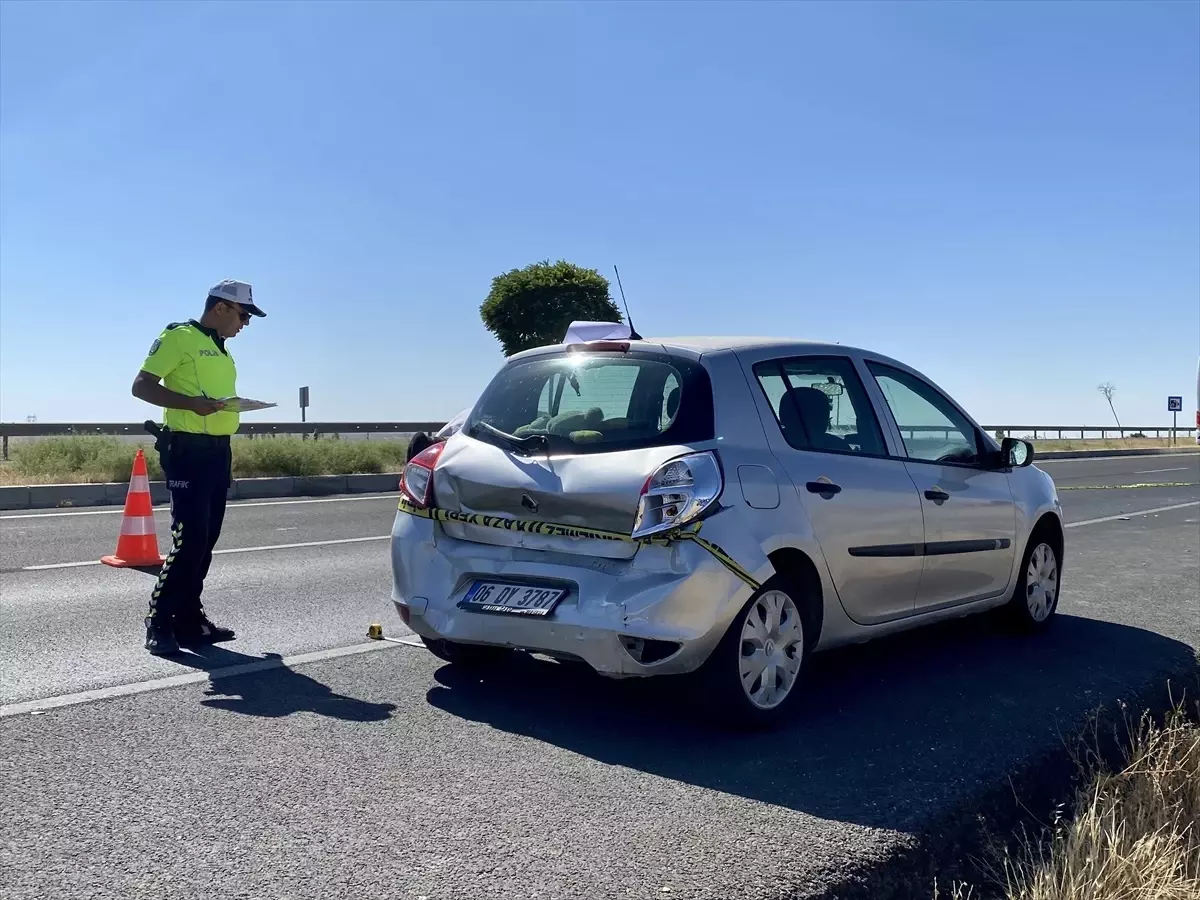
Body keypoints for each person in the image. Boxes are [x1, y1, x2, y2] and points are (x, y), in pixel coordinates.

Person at [131, 279, 266, 655]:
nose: (246, 323)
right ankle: (159, 621)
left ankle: (190, 619)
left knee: (205, 541)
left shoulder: (221, 350)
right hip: (187, 449)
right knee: (188, 540)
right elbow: (141, 386)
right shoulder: (180, 336)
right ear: (221, 307)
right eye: (244, 314)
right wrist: (192, 404)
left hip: (217, 452)